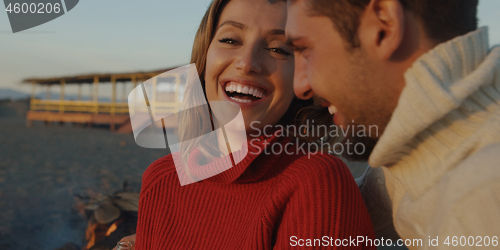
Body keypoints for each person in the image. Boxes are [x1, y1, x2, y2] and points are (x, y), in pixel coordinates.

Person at [114, 0, 376, 249]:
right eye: (230, 40)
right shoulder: (160, 179)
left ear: (302, 76)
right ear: (204, 59)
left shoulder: (317, 182)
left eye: (278, 49)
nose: (247, 63)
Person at [285, 0, 500, 248]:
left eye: (305, 49)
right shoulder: (411, 161)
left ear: (385, 25)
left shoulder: (481, 197)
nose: (300, 86)